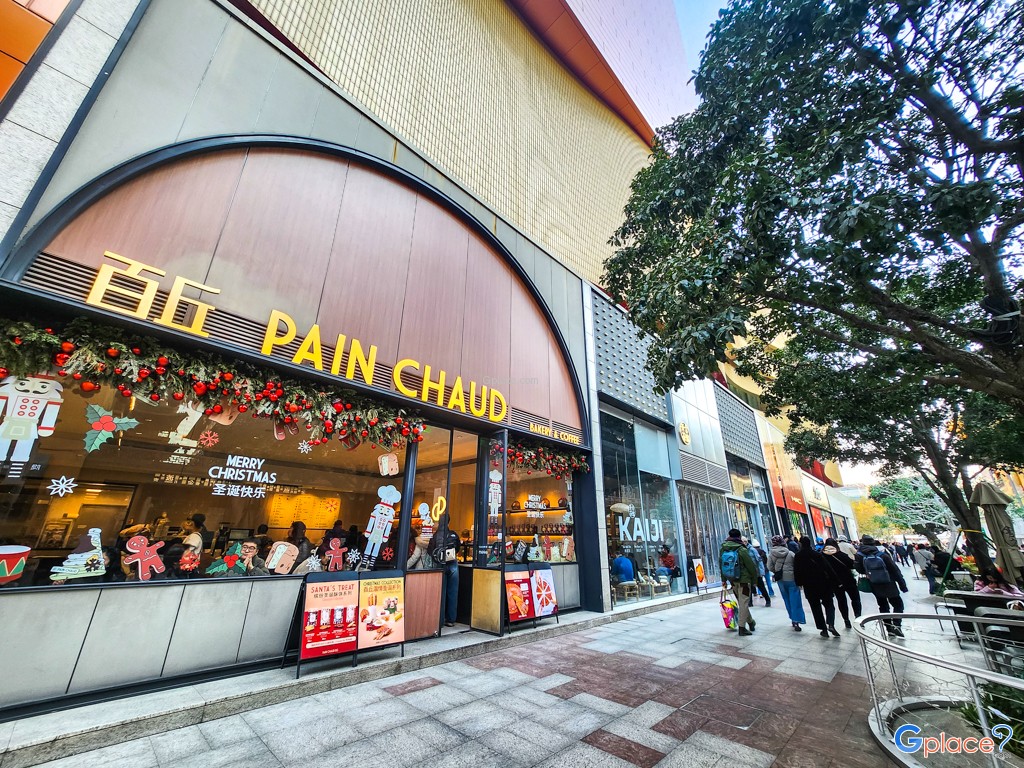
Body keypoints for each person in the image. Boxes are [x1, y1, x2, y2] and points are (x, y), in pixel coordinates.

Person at [856, 535, 908, 637]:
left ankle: (888, 628)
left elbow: (859, 569)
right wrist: (902, 585)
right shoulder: (882, 554)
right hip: (889, 582)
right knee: (898, 604)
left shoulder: (860, 555)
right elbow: (895, 570)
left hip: (874, 583)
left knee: (883, 606)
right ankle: (897, 625)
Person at [793, 536, 841, 638]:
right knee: (829, 604)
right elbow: (828, 568)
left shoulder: (798, 556)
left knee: (815, 608)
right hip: (823, 583)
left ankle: (823, 629)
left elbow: (796, 571)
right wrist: (837, 581)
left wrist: (799, 583)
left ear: (800, 544)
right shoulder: (817, 554)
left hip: (809, 585)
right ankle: (831, 624)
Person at [719, 528, 759, 636]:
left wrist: (723, 580)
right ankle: (742, 628)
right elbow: (750, 566)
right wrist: (754, 580)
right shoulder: (741, 549)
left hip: (733, 581)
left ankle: (751, 622)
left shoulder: (723, 549)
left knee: (742, 603)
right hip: (744, 581)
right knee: (744, 603)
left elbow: (721, 565)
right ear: (739, 536)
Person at [768, 534, 805, 631]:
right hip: (792, 579)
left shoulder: (771, 554)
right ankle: (797, 620)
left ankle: (792, 619)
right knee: (795, 599)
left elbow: (769, 566)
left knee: (787, 599)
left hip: (781, 580)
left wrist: (777, 571)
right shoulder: (790, 553)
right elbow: (797, 565)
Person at [822, 537, 860, 628]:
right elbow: (852, 565)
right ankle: (858, 617)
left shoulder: (822, 556)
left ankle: (846, 620)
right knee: (855, 599)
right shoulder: (841, 555)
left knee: (841, 601)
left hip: (835, 582)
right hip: (848, 580)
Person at [436, 522, 461, 626]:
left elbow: (431, 549)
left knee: (441, 593)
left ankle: (440, 620)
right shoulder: (453, 534)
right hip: (453, 562)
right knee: (453, 592)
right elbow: (458, 548)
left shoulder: (437, 535)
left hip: (441, 563)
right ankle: (451, 619)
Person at [742, 536, 771, 607]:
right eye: (742, 541)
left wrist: (761, 572)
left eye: (745, 541)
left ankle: (767, 600)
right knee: (748, 588)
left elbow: (759, 561)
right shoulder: (741, 550)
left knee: (761, 587)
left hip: (756, 572)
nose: (744, 543)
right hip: (747, 573)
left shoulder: (752, 550)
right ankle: (749, 602)